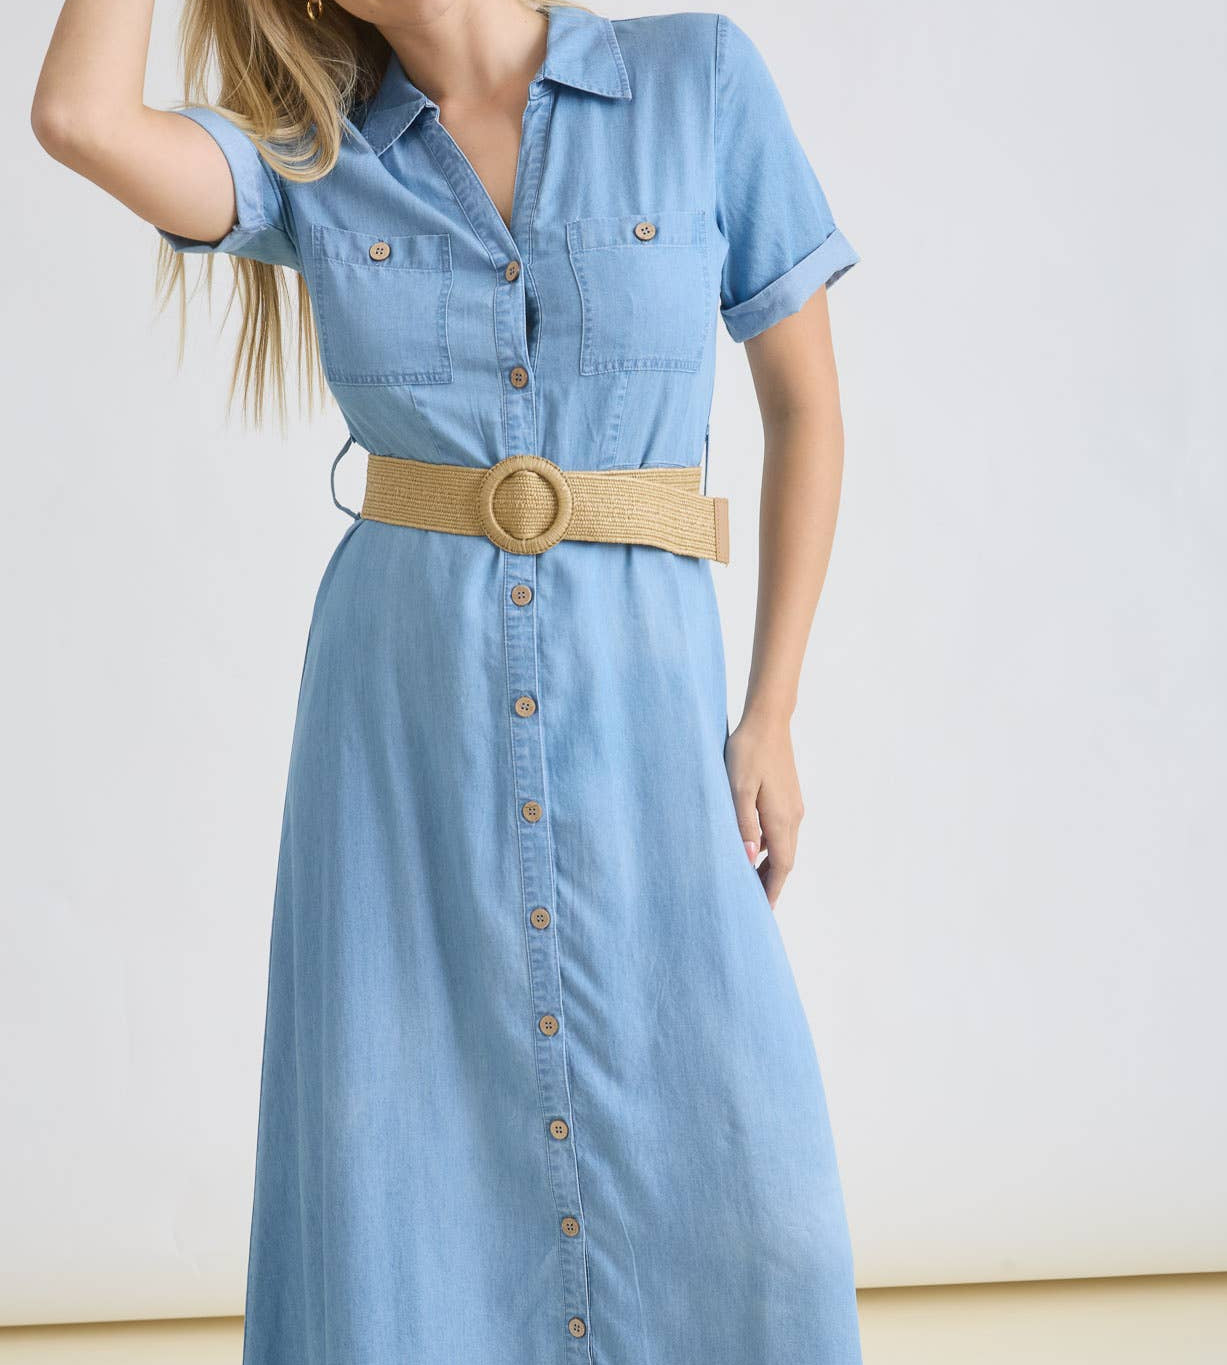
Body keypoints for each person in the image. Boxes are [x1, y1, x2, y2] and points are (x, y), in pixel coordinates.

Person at [32, 1, 863, 1360]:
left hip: (649, 709)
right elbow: (79, 120)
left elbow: (805, 405)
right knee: (401, 1158)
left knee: (755, 1183)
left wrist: (772, 709)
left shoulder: (697, 79)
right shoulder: (313, 155)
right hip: (402, 734)